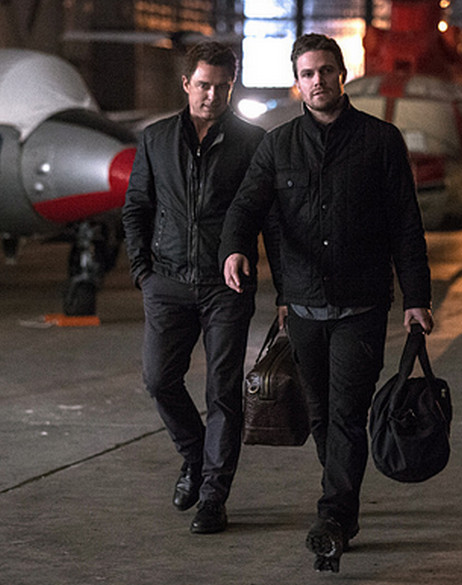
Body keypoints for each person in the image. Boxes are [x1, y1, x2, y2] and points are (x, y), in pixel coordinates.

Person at [219, 33, 434, 572]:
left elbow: (406, 225)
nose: (317, 81)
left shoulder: (380, 141)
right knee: (320, 415)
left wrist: (416, 297)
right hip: (303, 309)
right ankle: (342, 500)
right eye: (307, 74)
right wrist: (235, 249)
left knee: (346, 414)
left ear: (342, 75)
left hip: (361, 306)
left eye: (325, 71)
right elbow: (246, 207)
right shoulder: (278, 145)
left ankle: (334, 516)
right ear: (298, 83)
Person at [122, 41, 265, 535]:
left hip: (227, 286)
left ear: (232, 86)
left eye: (222, 87)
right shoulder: (156, 138)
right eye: (203, 85)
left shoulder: (252, 142)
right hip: (166, 281)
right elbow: (137, 206)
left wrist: (283, 289)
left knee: (222, 392)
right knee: (159, 379)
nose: (212, 95)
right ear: (186, 84)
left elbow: (267, 215)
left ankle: (212, 497)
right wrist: (142, 272)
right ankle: (196, 456)